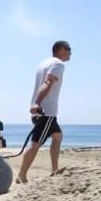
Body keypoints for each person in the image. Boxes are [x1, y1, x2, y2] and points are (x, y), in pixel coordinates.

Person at [16, 40, 71, 183]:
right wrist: (37, 103)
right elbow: (47, 83)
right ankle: (21, 175)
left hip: (41, 110)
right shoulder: (58, 64)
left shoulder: (43, 63)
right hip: (46, 111)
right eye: (69, 49)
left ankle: (54, 170)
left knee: (57, 136)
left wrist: (35, 105)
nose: (71, 53)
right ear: (60, 50)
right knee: (35, 145)